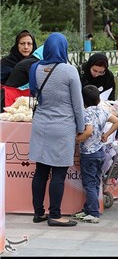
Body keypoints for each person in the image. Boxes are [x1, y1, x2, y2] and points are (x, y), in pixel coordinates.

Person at [29, 32, 85, 226]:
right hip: (62, 126)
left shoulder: (35, 68)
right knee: (59, 174)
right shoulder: (69, 70)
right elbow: (78, 104)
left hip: (40, 125)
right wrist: (81, 127)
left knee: (41, 171)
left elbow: (34, 94)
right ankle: (55, 215)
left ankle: (38, 213)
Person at [73, 85, 118, 224]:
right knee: (95, 182)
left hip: (88, 153)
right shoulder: (102, 111)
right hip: (100, 152)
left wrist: (77, 139)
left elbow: (87, 132)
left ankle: (93, 212)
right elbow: (117, 121)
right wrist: (106, 134)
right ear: (99, 99)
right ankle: (88, 209)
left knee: (89, 183)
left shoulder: (85, 112)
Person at [1, 30, 37, 112]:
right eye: (22, 43)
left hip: (29, 105)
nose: (26, 47)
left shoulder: (37, 63)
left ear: (33, 45)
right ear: (17, 45)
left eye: (29, 44)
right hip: (7, 103)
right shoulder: (5, 63)